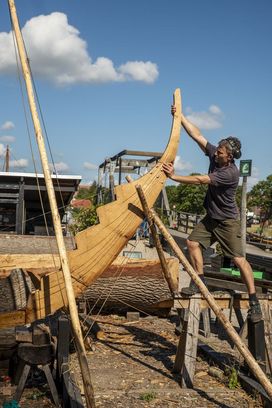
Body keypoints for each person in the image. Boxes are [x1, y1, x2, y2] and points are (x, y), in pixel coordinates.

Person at [162, 105, 262, 323]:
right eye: (217, 150)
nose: (216, 152)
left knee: (238, 259)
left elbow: (201, 180)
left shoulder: (229, 173)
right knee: (192, 243)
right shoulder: (216, 156)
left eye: (221, 152)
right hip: (210, 219)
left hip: (227, 222)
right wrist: (180, 117)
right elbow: (196, 135)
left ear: (230, 157)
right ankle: (200, 281)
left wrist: (175, 177)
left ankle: (254, 301)